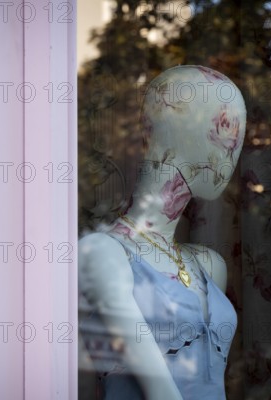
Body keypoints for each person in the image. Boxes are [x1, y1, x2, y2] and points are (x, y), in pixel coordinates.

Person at [78, 65, 246, 399]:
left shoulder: (208, 266)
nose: (232, 149)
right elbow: (160, 392)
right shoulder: (104, 252)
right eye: (224, 127)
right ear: (180, 135)